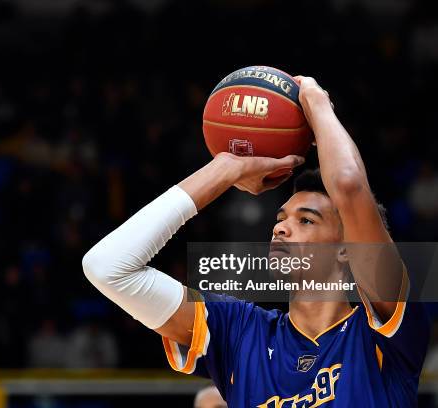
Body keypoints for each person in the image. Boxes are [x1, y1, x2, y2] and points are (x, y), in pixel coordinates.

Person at [82, 76, 430, 406]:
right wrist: (225, 169)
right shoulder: (240, 332)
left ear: (346, 249)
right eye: (280, 220)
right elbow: (108, 267)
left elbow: (349, 185)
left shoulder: (382, 332)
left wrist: (317, 102)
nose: (281, 229)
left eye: (306, 219)